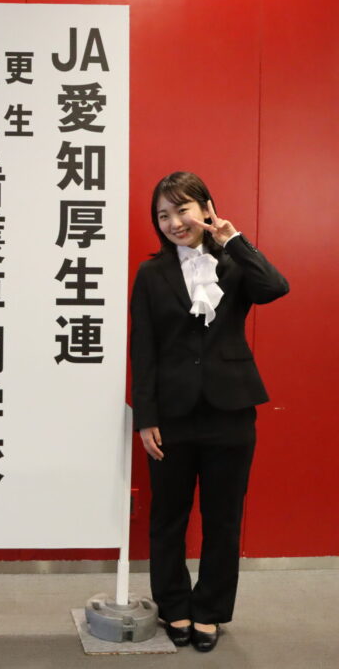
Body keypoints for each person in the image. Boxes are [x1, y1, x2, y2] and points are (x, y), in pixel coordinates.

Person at [130, 171, 288, 652]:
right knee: (169, 517)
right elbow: (143, 349)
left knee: (223, 519)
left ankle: (211, 610)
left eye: (182, 209)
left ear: (206, 208)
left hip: (230, 411)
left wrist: (232, 240)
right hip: (172, 416)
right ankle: (174, 604)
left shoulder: (235, 263)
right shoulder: (151, 274)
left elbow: (275, 287)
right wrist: (145, 417)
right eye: (163, 215)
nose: (174, 222)